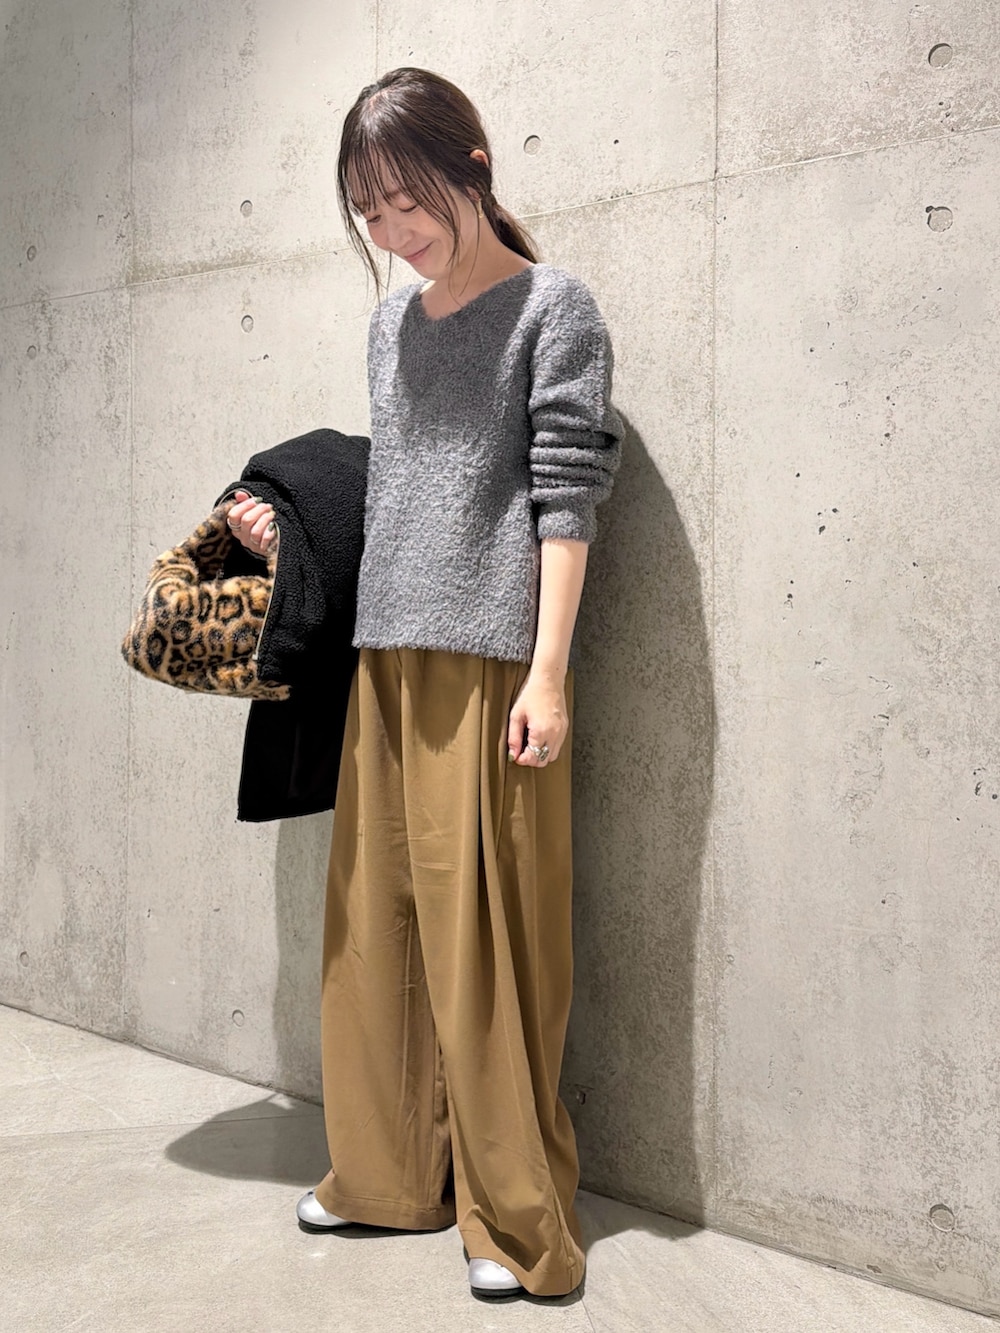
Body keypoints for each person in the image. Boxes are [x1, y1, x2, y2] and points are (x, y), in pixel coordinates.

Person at [228, 66, 623, 1300]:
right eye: (369, 212)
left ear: (474, 171)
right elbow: (398, 491)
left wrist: (548, 675)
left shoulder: (554, 308)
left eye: (408, 202)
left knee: (486, 950)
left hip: (491, 664)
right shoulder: (390, 325)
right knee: (377, 933)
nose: (393, 232)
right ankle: (388, 1174)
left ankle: (514, 1219)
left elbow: (567, 501)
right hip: (385, 659)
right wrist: (287, 534)